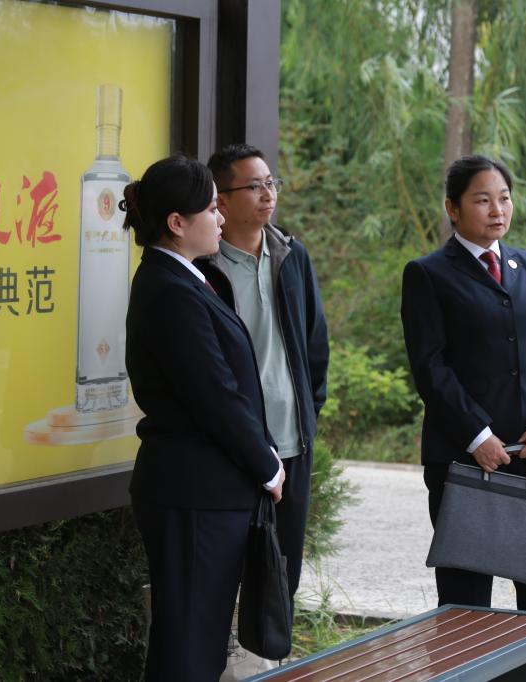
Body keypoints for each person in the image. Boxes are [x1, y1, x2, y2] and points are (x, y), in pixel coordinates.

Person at [123, 155, 285, 680]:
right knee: (189, 647)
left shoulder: (187, 278)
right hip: (193, 495)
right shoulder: (170, 290)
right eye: (212, 209)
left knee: (198, 640)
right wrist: (267, 464)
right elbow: (214, 395)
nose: (221, 218)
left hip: (207, 492)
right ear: (177, 222)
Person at [400, 154, 526, 613]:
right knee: (466, 593)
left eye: (505, 198)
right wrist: (478, 436)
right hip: (463, 457)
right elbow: (430, 368)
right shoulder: (429, 273)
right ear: (452, 208)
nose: (498, 210)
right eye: (482, 200)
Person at [203, 143, 329, 613]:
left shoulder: (291, 256)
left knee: (282, 575)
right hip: (235, 446)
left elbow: (315, 344)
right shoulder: (205, 267)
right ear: (221, 198)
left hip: (292, 441)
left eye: (271, 183)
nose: (268, 194)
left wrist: (308, 413)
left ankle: (274, 650)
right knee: (224, 573)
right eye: (254, 186)